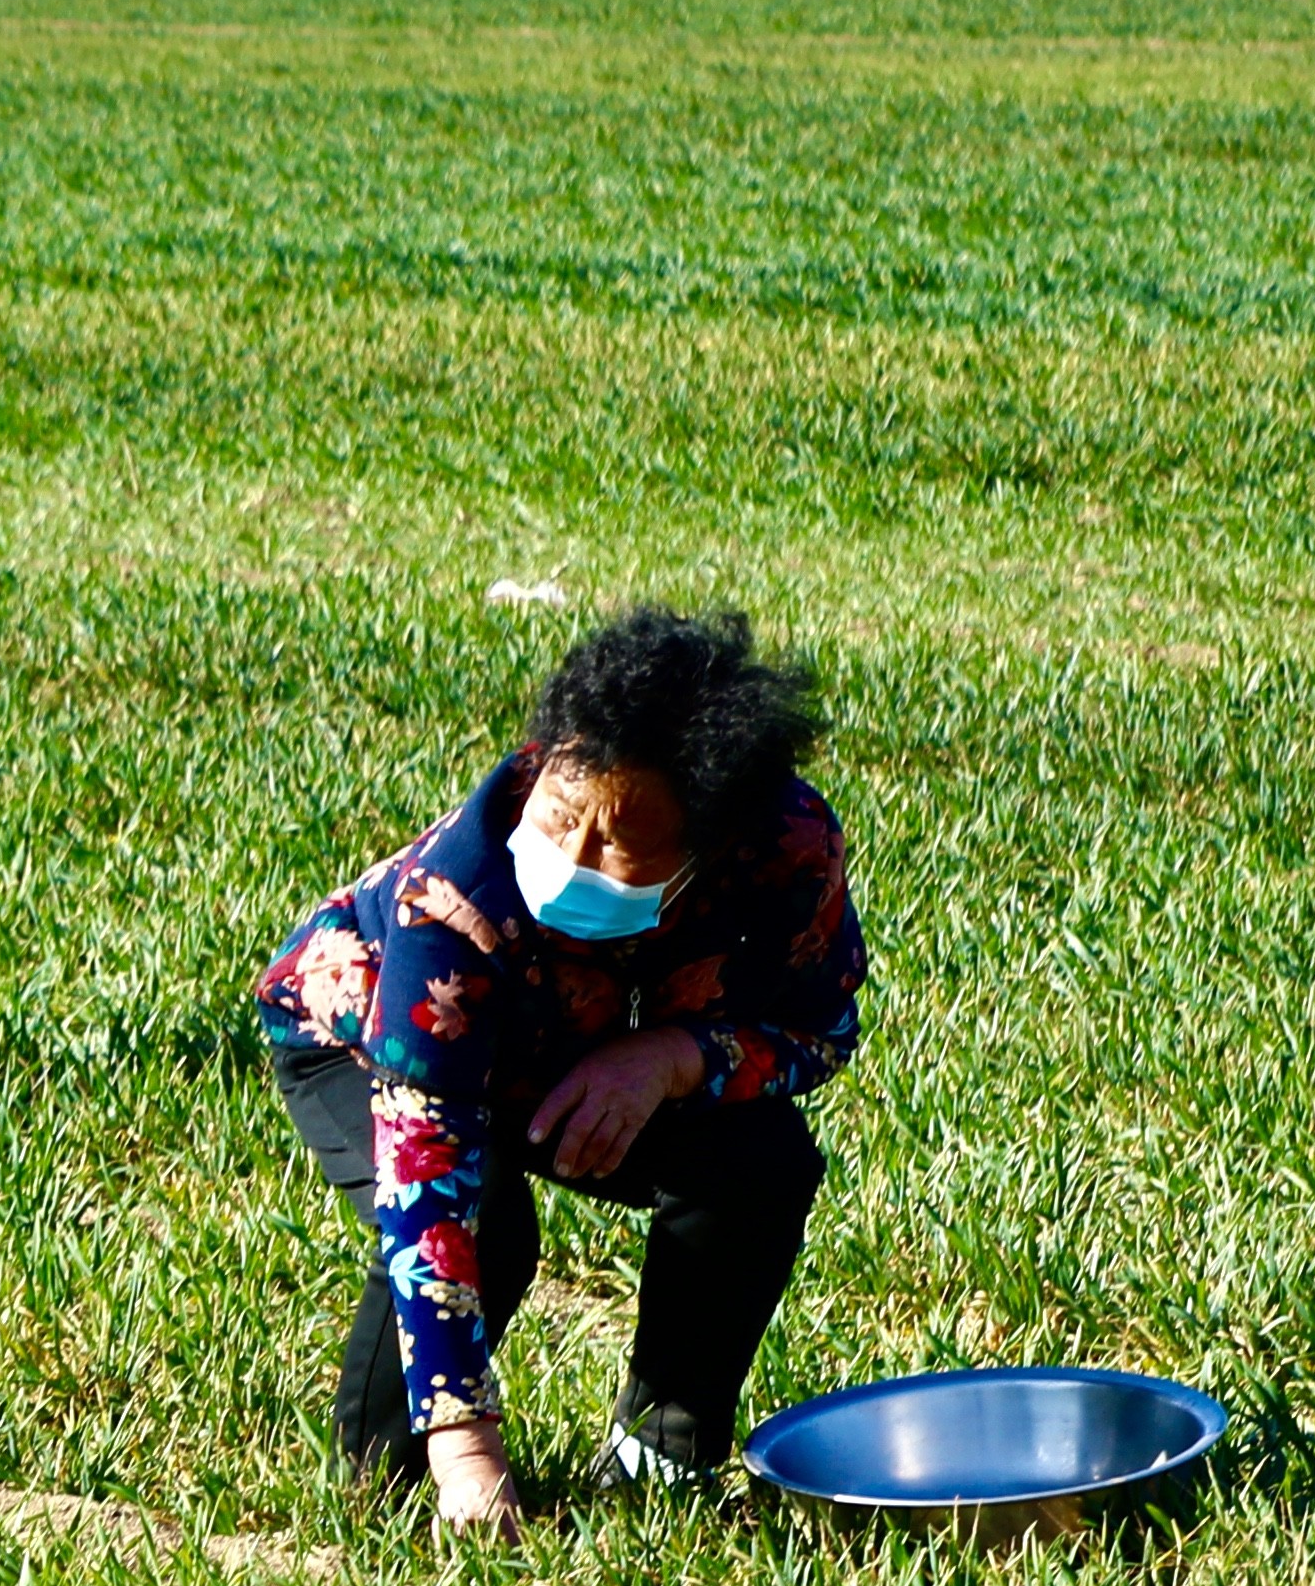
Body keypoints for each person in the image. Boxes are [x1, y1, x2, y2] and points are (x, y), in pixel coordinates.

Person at [255, 606, 865, 1531]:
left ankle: (661, 1454)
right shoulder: (452, 900)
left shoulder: (787, 854)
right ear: (547, 757)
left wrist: (672, 1057)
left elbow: (819, 1028)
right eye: (562, 812)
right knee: (488, 1220)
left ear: (709, 848)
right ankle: (386, 1479)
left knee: (761, 1164)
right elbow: (429, 1181)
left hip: (588, 1049)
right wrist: (466, 1446)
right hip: (367, 1037)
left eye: (618, 843)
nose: (571, 857)